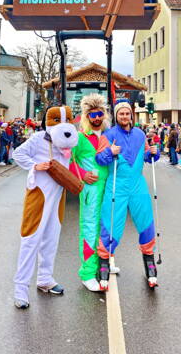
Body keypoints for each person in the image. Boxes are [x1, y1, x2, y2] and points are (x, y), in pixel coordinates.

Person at [12, 105, 78, 309]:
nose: (63, 125)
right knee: (31, 239)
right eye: (58, 120)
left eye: (67, 120)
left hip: (58, 196)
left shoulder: (67, 144)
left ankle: (45, 279)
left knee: (51, 238)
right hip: (39, 195)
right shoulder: (38, 138)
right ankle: (20, 288)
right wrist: (34, 165)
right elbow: (18, 154)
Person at [96, 100, 159, 289]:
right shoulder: (109, 135)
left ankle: (150, 264)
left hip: (138, 185)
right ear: (116, 116)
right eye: (121, 114)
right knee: (112, 223)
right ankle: (104, 263)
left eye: (127, 113)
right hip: (117, 185)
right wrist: (110, 151)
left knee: (146, 221)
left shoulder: (140, 134)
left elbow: (148, 157)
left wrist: (153, 153)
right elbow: (99, 159)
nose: (125, 116)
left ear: (132, 115)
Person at [70, 93, 111, 292]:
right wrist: (84, 175)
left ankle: (103, 264)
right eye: (93, 114)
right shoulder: (79, 138)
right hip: (90, 191)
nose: (97, 118)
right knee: (89, 229)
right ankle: (87, 273)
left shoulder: (108, 136)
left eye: (100, 113)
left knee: (106, 226)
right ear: (87, 116)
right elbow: (69, 162)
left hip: (108, 189)